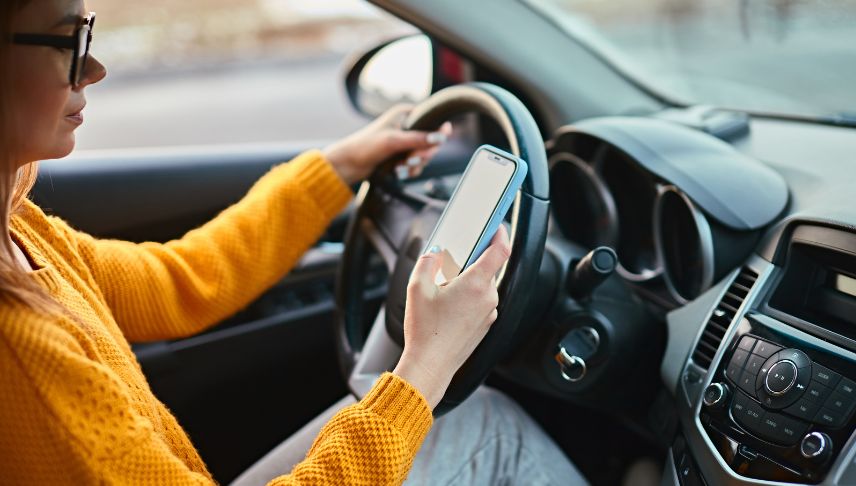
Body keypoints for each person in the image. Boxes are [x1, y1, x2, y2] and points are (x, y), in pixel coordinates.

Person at [0, 1, 587, 484]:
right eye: (68, 40)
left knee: (469, 419)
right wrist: (426, 366)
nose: (95, 67)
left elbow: (183, 280)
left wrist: (339, 165)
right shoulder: (24, 353)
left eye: (90, 32)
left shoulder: (21, 229)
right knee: (489, 434)